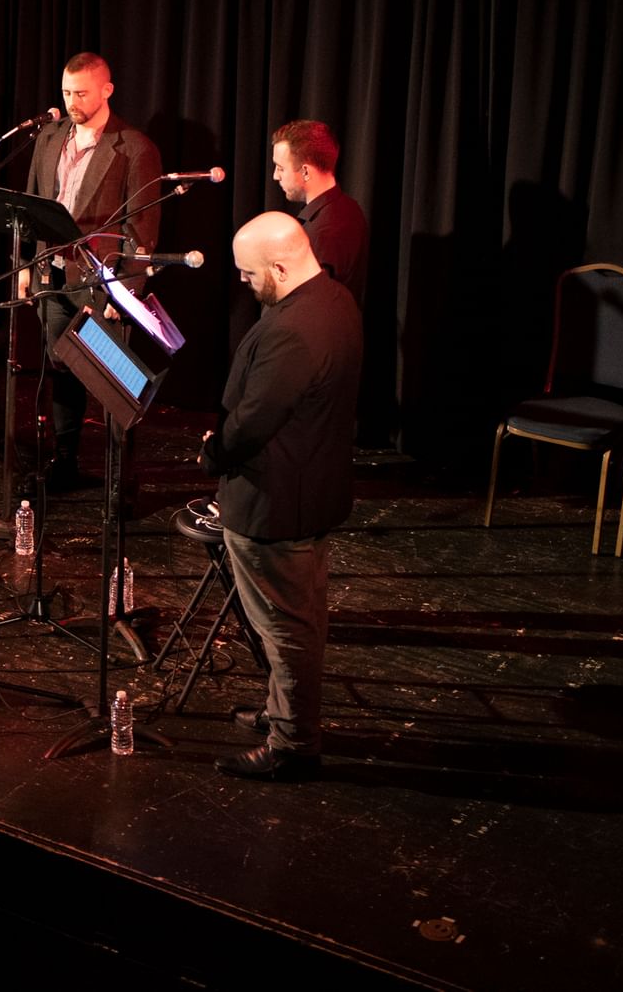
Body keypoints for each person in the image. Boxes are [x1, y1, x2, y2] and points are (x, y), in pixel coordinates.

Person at [202, 212, 361, 779]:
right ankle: (281, 715)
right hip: (312, 488)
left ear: (279, 265)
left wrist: (213, 451)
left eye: (249, 274)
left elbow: (252, 423)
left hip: (277, 503)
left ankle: (293, 744)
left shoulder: (291, 330)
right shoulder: (335, 299)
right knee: (298, 618)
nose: (243, 282)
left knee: (284, 627)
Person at [25, 52, 162, 487]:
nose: (72, 101)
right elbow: (31, 204)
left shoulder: (135, 147)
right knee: (62, 366)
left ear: (107, 90)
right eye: (66, 92)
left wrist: (128, 291)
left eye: (81, 93)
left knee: (112, 383)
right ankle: (65, 460)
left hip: (102, 284)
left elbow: (142, 225)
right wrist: (27, 265)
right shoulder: (49, 137)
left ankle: (121, 477)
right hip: (53, 278)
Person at [269, 118, 368, 307]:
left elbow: (306, 307)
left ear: (305, 172)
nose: (275, 176)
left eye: (281, 168)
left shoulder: (324, 231)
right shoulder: (348, 208)